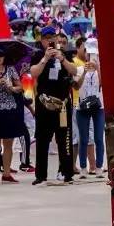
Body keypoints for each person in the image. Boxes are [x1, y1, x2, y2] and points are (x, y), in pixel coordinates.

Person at [29, 26, 75, 186]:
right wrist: (45, 59)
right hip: (44, 104)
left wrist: (62, 59)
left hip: (62, 104)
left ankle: (66, 173)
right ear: (41, 40)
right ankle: (41, 175)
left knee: (64, 139)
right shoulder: (37, 55)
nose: (50, 40)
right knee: (42, 140)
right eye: (46, 38)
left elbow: (74, 71)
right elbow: (33, 73)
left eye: (52, 37)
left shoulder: (65, 53)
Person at [71, 39, 104, 180]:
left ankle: (98, 167)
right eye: (89, 54)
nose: (91, 57)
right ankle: (83, 167)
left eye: (94, 55)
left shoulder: (100, 70)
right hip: (82, 107)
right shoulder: (78, 69)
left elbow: (103, 85)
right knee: (83, 139)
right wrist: (84, 72)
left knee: (98, 138)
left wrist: (97, 68)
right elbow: (76, 87)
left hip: (98, 107)